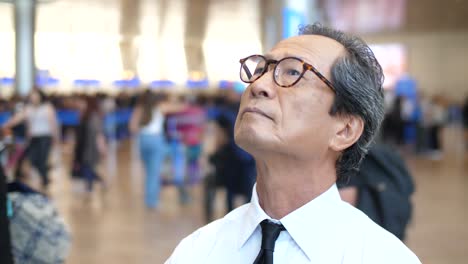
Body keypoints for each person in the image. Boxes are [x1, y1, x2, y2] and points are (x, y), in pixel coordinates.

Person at [166, 23, 420, 263]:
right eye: (259, 70)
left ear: (344, 130)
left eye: (293, 73)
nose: (259, 85)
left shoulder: (381, 256)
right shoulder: (197, 250)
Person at [129, 90, 185, 209]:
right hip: (156, 140)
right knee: (154, 173)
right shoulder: (159, 107)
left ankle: (150, 198)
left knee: (149, 172)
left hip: (143, 140)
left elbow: (132, 127)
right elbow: (180, 108)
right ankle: (152, 201)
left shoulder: (139, 109)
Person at [1, 88, 59, 189]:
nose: (33, 97)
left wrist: (56, 138)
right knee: (32, 158)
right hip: (33, 138)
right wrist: (5, 125)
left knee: (42, 159)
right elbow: (17, 118)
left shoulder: (47, 107)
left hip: (45, 137)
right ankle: (44, 175)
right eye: (32, 95)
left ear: (40, 96)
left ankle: (45, 180)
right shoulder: (28, 108)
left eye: (35, 95)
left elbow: (53, 124)